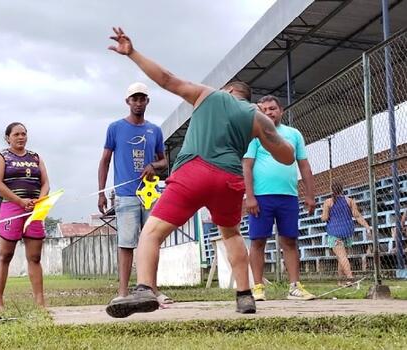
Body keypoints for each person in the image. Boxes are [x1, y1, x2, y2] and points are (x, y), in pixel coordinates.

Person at [104, 27, 295, 318]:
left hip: (194, 172)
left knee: (152, 233)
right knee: (231, 235)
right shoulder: (256, 118)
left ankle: (144, 288)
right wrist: (261, 123)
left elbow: (166, 79)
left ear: (229, 91)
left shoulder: (208, 95)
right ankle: (244, 296)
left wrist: (132, 53)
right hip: (229, 180)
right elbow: (286, 156)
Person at [98, 82, 172, 306]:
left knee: (151, 241)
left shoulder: (154, 130)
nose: (138, 103)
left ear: (147, 101)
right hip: (125, 194)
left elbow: (164, 160)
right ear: (128, 102)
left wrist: (153, 165)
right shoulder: (115, 128)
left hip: (149, 193)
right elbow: (105, 160)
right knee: (126, 243)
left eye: (142, 99)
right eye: (135, 99)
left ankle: (153, 290)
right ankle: (122, 292)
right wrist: (102, 193)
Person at [243, 95, 316, 302]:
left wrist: (310, 195)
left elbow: (304, 165)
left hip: (288, 196)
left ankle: (295, 286)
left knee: (290, 241)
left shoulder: (293, 134)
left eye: (272, 108)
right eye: (264, 110)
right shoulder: (256, 134)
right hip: (261, 198)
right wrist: (250, 197)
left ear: (281, 110)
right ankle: (257, 287)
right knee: (258, 241)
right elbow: (246, 166)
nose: (268, 113)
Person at [0, 122, 50, 311]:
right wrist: (20, 201)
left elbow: (46, 183)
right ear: (8, 137)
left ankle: (40, 303)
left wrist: (39, 201)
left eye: (24, 134)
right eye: (16, 134)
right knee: (5, 255)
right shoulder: (1, 157)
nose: (21, 137)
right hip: (11, 208)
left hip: (34, 209)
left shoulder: (35, 157)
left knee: (35, 257)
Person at [321, 182, 371, 285]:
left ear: (332, 190)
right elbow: (357, 216)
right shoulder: (350, 201)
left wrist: (323, 216)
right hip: (347, 231)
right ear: (342, 189)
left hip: (335, 232)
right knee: (342, 257)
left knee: (342, 257)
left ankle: (350, 278)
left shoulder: (328, 202)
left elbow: (325, 218)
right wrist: (367, 226)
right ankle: (340, 281)